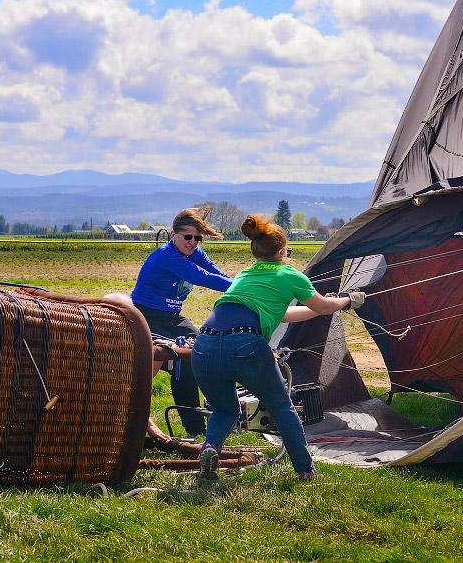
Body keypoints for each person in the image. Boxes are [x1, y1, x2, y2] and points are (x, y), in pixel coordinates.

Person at [191, 214, 364, 484]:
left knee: (226, 409)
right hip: (245, 344)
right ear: (283, 251)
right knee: (282, 407)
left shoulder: (246, 274)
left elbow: (283, 314)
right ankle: (305, 470)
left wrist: (323, 307)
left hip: (204, 345)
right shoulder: (290, 274)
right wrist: (347, 301)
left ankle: (210, 448)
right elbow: (323, 306)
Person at [130, 206, 233, 435]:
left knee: (204, 347)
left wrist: (245, 286)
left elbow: (217, 274)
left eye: (198, 238)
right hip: (147, 316)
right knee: (183, 358)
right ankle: (195, 428)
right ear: (174, 234)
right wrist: (241, 286)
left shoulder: (195, 252)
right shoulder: (167, 256)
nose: (192, 242)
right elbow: (203, 278)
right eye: (187, 237)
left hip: (173, 318)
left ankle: (212, 413)